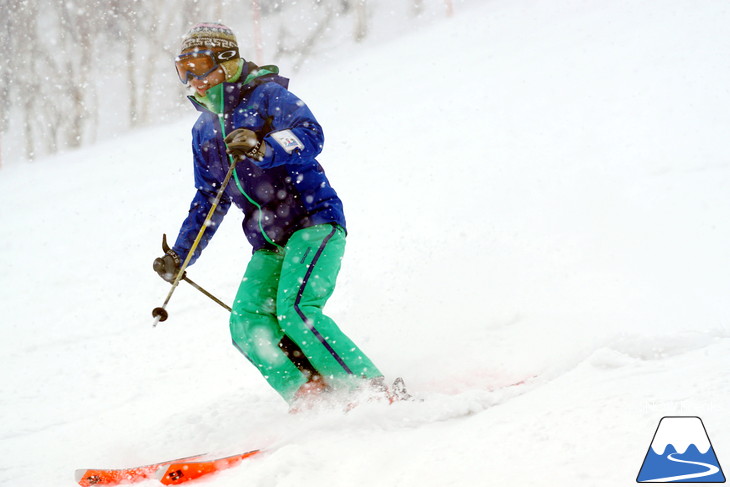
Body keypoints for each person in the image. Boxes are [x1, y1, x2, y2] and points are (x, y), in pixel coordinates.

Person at [153, 22, 392, 409]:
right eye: (184, 70)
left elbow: (310, 133)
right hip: (267, 241)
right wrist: (182, 256)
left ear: (227, 64)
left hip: (313, 222)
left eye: (200, 66)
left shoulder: (267, 97)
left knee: (296, 311)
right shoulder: (203, 131)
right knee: (246, 323)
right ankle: (309, 397)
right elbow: (208, 198)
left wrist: (265, 146)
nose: (193, 80)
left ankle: (370, 391)